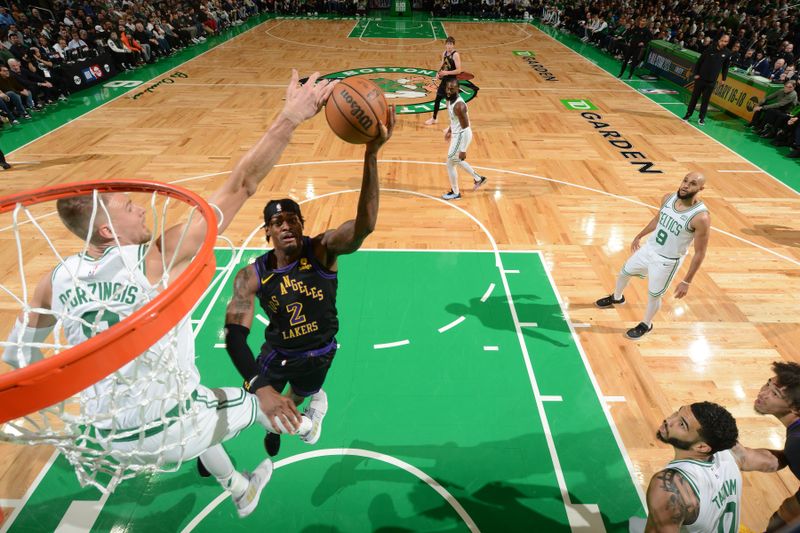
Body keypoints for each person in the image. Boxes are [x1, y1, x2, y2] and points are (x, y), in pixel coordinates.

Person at [0, 70, 341, 517]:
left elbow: (16, 363)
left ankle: (240, 488)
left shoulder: (53, 281)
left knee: (198, 398)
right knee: (259, 399)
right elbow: (242, 184)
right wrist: (290, 117)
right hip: (174, 428)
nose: (139, 204)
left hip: (104, 440)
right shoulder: (155, 258)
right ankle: (308, 427)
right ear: (107, 229)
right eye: (126, 207)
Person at [222, 105, 395, 460]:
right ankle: (273, 426)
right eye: (278, 222)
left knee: (293, 403)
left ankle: (301, 414)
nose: (286, 225)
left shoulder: (322, 250)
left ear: (302, 223)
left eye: (292, 219)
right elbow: (235, 334)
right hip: (277, 352)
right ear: (267, 231)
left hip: (318, 354)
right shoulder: (251, 274)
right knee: (262, 402)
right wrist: (257, 383)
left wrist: (371, 155)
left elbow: (365, 226)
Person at [595, 172, 710, 340]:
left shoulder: (701, 217)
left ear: (700, 189)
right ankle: (617, 298)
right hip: (649, 248)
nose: (685, 185)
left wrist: (687, 281)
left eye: (692, 184)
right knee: (624, 272)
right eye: (685, 180)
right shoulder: (668, 198)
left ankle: (646, 324)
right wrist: (639, 235)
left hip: (667, 261)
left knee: (654, 295)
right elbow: (658, 220)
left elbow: (700, 253)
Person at [629, 401, 774, 532]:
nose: (669, 420)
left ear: (702, 446)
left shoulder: (670, 487)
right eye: (677, 413)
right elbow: (770, 461)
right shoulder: (732, 452)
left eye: (682, 424)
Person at [738, 361, 800, 532]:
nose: (763, 393)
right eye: (767, 383)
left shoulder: (796, 442)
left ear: (795, 408)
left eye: (774, 393)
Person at [440, 77, 486, 200]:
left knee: (451, 162)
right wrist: (449, 131)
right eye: (447, 89)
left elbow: (466, 129)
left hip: (462, 135)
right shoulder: (449, 100)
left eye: (452, 89)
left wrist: (463, 149)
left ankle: (456, 193)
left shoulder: (459, 106)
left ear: (458, 90)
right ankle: (478, 179)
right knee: (453, 161)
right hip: (456, 134)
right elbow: (453, 119)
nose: (449, 91)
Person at [682, 34, 731, 126]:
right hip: (701, 78)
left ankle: (701, 118)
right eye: (722, 40)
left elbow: (725, 68)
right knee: (694, 98)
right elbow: (699, 61)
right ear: (719, 40)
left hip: (712, 81)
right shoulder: (710, 49)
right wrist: (696, 73)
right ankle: (688, 115)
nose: (723, 42)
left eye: (725, 41)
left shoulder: (727, 53)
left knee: (705, 100)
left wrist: (724, 79)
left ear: (727, 43)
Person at [424, 36, 460, 126]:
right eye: (448, 44)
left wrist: (446, 72)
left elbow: (459, 70)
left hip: (452, 82)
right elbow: (442, 65)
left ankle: (453, 123)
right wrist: (438, 73)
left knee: (449, 104)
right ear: (445, 45)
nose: (449, 46)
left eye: (451, 44)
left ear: (453, 45)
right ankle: (434, 118)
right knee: (437, 99)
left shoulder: (455, 55)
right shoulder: (444, 53)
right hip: (444, 80)